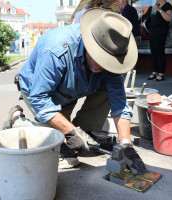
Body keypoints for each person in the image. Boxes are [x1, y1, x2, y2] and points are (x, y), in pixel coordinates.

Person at [8, 8, 146, 173]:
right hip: (41, 93)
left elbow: (118, 100)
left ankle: (84, 132)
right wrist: (70, 131)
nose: (103, 65)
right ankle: (17, 120)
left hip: (71, 91)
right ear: (89, 43)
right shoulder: (55, 49)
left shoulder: (114, 54)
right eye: (100, 58)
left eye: (108, 61)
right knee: (54, 142)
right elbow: (40, 99)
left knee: (107, 89)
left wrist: (126, 145)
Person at [144, 0, 172, 81]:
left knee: (160, 52)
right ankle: (155, 72)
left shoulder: (167, 6)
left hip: (160, 32)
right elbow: (153, 18)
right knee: (154, 52)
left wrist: (159, 10)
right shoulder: (156, 5)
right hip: (152, 32)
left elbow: (168, 18)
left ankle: (161, 73)